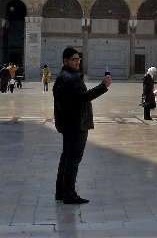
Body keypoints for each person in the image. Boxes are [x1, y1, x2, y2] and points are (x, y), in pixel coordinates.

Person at [53, 47, 111, 205]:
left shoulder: (61, 77)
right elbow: (83, 97)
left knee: (66, 158)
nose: (77, 62)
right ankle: (70, 194)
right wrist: (103, 86)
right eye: (74, 59)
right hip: (77, 124)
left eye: (78, 59)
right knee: (73, 160)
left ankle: (61, 192)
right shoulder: (72, 78)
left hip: (67, 123)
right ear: (66, 61)